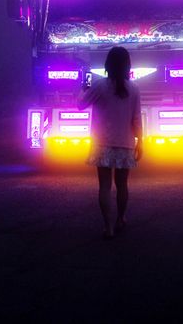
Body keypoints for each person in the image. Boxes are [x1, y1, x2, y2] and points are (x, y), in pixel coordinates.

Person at [77, 46, 143, 240]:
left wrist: (82, 88)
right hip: (126, 144)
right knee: (122, 185)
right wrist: (141, 143)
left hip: (102, 144)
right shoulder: (134, 88)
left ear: (107, 65)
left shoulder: (99, 86)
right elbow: (137, 120)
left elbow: (80, 105)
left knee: (104, 186)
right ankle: (121, 218)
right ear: (127, 65)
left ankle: (108, 227)